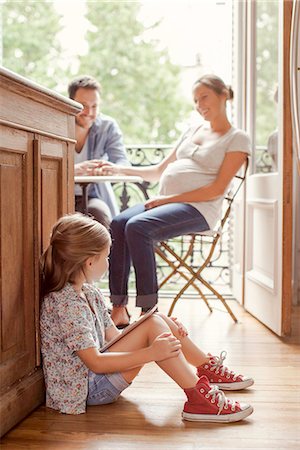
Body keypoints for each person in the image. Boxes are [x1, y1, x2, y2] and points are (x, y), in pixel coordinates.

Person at [40, 213, 254, 423]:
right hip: (87, 391)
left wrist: (165, 328)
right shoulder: (65, 304)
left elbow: (115, 338)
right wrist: (150, 353)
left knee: (157, 319)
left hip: (94, 380)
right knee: (153, 324)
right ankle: (199, 398)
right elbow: (95, 362)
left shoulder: (89, 293)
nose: (109, 262)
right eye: (106, 257)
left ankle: (206, 369)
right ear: (89, 262)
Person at [99, 74, 251, 327]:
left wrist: (167, 199)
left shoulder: (237, 138)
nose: (200, 104)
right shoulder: (192, 131)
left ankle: (149, 312)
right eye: (195, 100)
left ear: (223, 95)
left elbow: (216, 189)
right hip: (167, 203)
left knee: (137, 227)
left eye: (205, 97)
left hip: (199, 209)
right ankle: (119, 307)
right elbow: (157, 171)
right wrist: (117, 169)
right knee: (118, 223)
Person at [68, 75, 130, 228]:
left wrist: (108, 168)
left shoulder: (107, 126)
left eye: (94, 106)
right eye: (82, 105)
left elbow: (122, 161)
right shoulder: (57, 124)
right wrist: (75, 170)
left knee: (100, 216)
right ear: (70, 102)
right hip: (59, 193)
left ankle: (105, 253)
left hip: (92, 194)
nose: (89, 112)